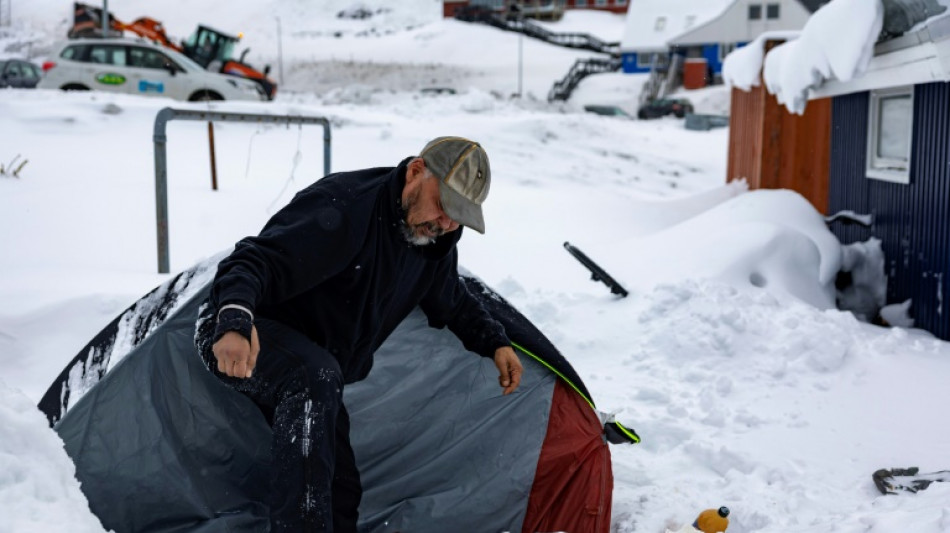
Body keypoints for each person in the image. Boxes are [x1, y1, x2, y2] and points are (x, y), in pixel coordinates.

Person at [194, 136, 523, 533]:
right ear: (416, 171)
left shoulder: (433, 241)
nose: (447, 224)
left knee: (340, 488)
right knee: (312, 377)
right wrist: (234, 321)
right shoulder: (344, 206)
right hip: (243, 326)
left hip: (317, 363)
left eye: (460, 217)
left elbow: (451, 298)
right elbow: (254, 260)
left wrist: (495, 342)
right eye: (444, 206)